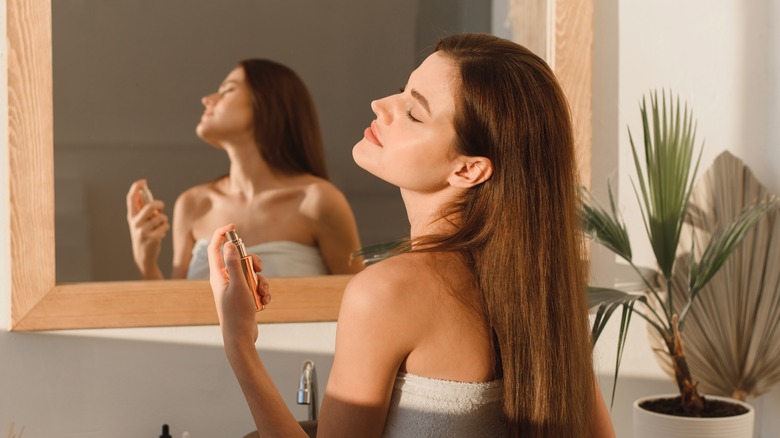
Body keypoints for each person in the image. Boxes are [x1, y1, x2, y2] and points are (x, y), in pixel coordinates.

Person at [208, 33, 615, 437]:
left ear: (468, 169)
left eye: (414, 112)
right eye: (402, 90)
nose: (380, 105)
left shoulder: (386, 292)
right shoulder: (545, 300)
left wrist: (239, 343)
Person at [126, 59, 363, 279]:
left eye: (228, 90)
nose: (207, 99)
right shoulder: (193, 204)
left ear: (267, 103)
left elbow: (355, 297)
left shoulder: (319, 201)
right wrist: (146, 262)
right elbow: (176, 305)